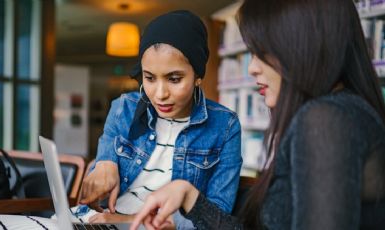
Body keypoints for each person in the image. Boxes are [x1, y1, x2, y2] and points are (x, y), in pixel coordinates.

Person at [130, 0, 385, 229]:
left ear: (302, 44)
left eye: (261, 53)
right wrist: (188, 195)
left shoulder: (327, 120)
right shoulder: (342, 113)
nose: (251, 68)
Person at [78, 10, 243, 228]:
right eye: (149, 78)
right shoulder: (124, 107)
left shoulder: (225, 126)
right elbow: (103, 160)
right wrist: (103, 162)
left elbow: (216, 216)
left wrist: (131, 221)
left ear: (198, 76)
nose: (159, 93)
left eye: (174, 79)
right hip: (103, 220)